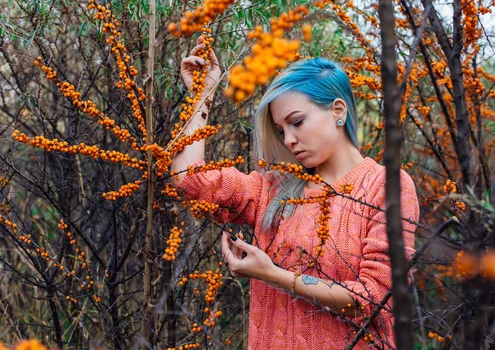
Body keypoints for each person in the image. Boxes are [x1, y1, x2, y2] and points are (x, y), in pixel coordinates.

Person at [171, 36, 420, 349]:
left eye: (297, 122)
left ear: (338, 110)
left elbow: (375, 298)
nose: (288, 139)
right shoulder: (274, 189)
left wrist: (273, 275)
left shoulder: (386, 187)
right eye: (280, 130)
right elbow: (188, 180)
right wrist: (201, 96)